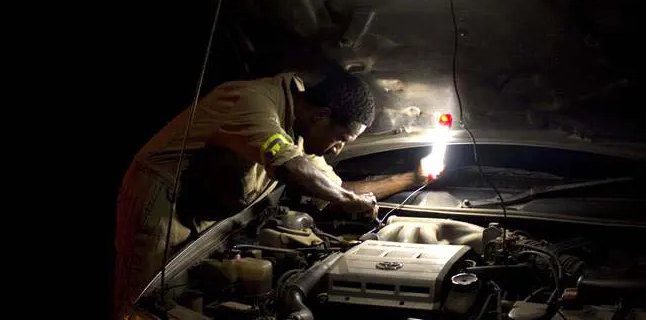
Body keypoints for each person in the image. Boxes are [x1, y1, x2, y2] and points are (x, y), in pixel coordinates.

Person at [113, 72, 430, 319]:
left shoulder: (299, 130)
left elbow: (338, 189)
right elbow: (296, 170)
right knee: (145, 303)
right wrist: (350, 203)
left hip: (209, 208)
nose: (339, 149)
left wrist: (410, 178)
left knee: (190, 296)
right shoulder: (254, 103)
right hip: (163, 200)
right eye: (341, 139)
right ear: (321, 115)